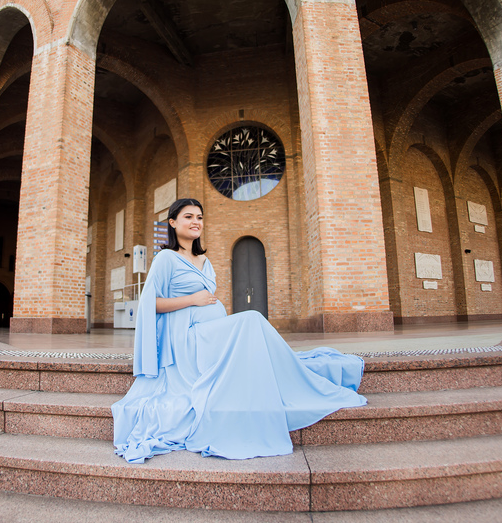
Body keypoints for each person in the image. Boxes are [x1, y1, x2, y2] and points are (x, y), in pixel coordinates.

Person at [112, 198, 367, 463]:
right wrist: (193, 300)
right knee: (252, 320)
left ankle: (288, 373)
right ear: (173, 223)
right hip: (185, 338)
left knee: (251, 331)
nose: (196, 222)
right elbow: (150, 304)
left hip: (209, 333)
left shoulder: (204, 260)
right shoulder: (166, 258)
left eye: (199, 217)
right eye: (188, 217)